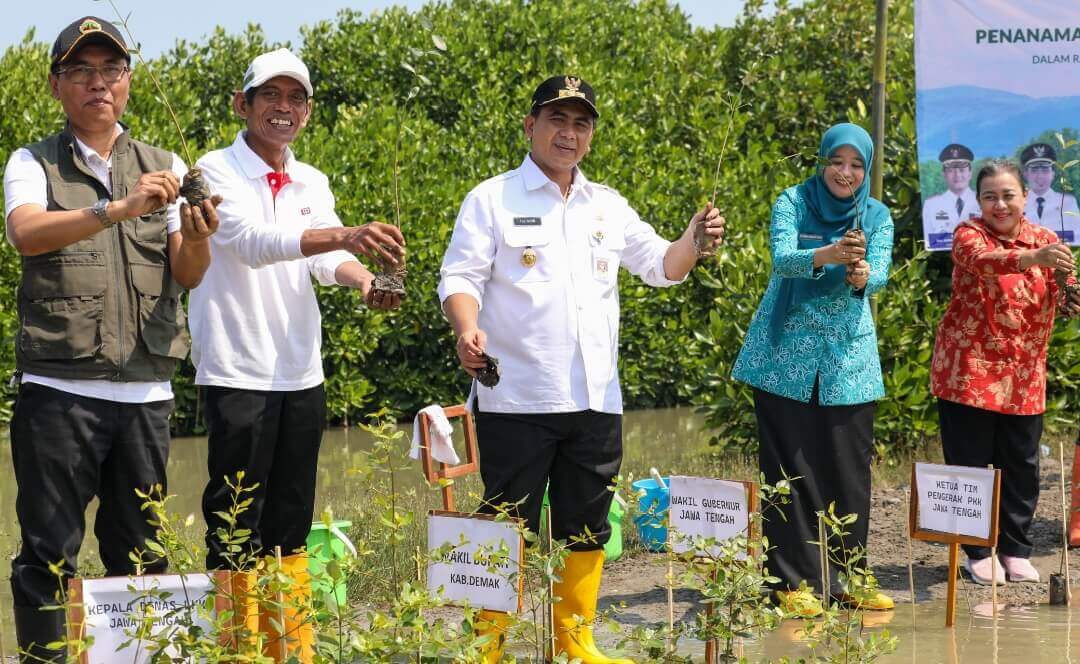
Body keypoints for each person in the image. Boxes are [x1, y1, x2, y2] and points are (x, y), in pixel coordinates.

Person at [438, 75, 723, 663]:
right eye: (557, 120)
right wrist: (467, 329)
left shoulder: (608, 205)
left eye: (581, 123)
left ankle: (576, 643)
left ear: (590, 134)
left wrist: (693, 239)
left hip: (596, 399)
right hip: (515, 396)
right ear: (530, 126)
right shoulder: (491, 198)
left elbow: (661, 265)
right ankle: (486, 646)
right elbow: (459, 278)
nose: (568, 134)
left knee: (587, 524)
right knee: (503, 524)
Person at [2, 16, 221, 661]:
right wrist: (117, 208)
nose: (99, 83)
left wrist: (201, 235)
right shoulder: (31, 161)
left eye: (111, 71)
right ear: (57, 85)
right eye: (82, 71)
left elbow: (188, 272)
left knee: (143, 550)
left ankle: (136, 657)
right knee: (49, 549)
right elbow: (26, 233)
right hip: (58, 391)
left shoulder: (168, 164)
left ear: (128, 82)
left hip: (146, 392)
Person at [189, 48, 405, 662]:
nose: (284, 109)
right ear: (243, 104)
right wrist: (344, 235)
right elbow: (252, 243)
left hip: (299, 370)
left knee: (292, 512)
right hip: (237, 369)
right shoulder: (213, 170)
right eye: (271, 96)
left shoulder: (311, 181)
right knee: (234, 516)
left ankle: (292, 649)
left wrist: (363, 278)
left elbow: (322, 256)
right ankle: (237, 650)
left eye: (296, 99)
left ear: (307, 111)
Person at [731, 123, 895, 617]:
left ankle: (850, 577)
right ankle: (790, 584)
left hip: (848, 360)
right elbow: (783, 259)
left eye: (856, 165)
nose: (845, 173)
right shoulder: (793, 201)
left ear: (865, 170)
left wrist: (864, 273)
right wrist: (829, 255)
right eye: (836, 161)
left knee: (849, 471)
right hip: (785, 358)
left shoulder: (877, 214)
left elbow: (880, 270)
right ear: (822, 161)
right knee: (788, 471)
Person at [931, 159, 1079, 585]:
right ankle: (978, 551)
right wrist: (1033, 257)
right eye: (991, 196)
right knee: (972, 464)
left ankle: (1015, 549)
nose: (1000, 204)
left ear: (1026, 198)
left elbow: (1060, 292)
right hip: (969, 372)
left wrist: (1069, 292)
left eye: (1008, 195)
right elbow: (984, 261)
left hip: (1024, 373)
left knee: (1022, 465)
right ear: (978, 201)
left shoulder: (1047, 238)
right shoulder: (968, 235)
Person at [1020, 142, 1080, 244]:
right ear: (1025, 173)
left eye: (1045, 169)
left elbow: (1077, 238)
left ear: (1053, 173)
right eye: (1034, 170)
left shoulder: (1068, 202)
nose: (1040, 176)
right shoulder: (1017, 202)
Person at [922, 143, 979, 250]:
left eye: (962, 170)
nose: (957, 175)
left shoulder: (982, 201)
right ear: (944, 174)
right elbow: (931, 242)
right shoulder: (931, 205)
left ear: (970, 173)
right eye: (951, 170)